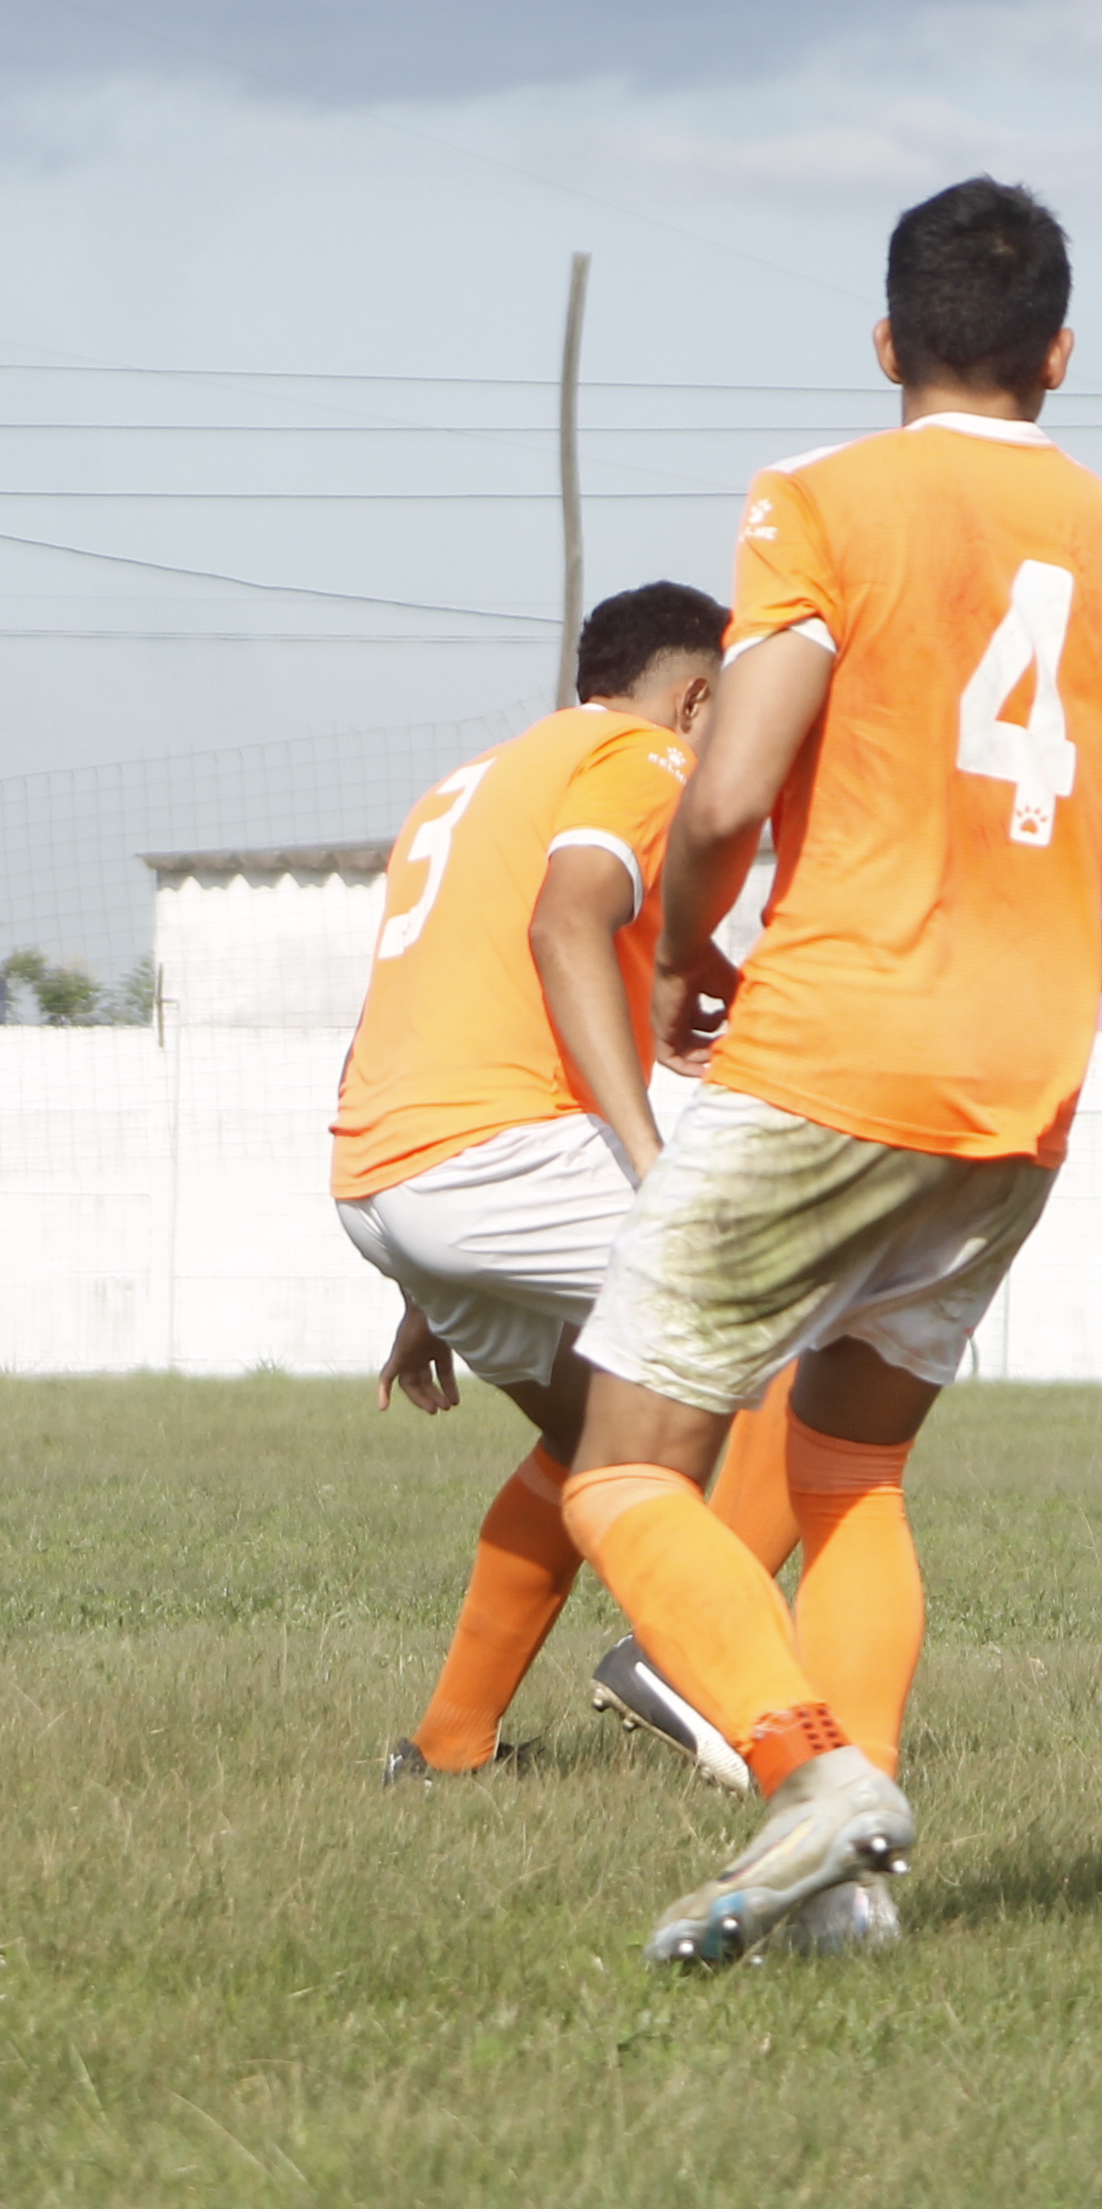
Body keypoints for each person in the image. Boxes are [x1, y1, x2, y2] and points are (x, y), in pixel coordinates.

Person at [559, 177, 1102, 1967]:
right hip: (1016, 1088)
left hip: (834, 1042)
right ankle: (852, 1888)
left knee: (625, 1465)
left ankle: (805, 1773)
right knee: (854, 1475)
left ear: (887, 342)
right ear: (1061, 355)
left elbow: (722, 793)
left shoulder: (820, 500)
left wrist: (684, 959)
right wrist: (1056, 959)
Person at [329, 580, 804, 1783]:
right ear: (698, 695)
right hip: (496, 1154)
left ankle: (446, 1748)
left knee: (601, 1448)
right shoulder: (648, 758)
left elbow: (439, 1001)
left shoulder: (478, 778)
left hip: (385, 1171)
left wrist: (421, 1276)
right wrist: (650, 1168)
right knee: (818, 1333)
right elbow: (566, 924)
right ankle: (690, 1666)